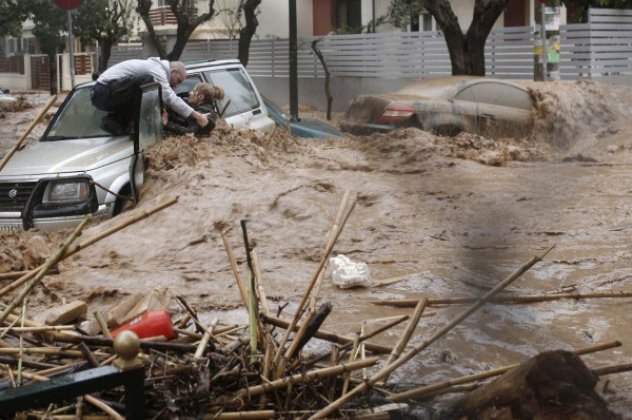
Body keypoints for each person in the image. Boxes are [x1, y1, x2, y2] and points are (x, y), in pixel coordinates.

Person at [91, 57, 208, 135]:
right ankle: (134, 125)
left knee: (154, 93)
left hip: (104, 94)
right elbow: (170, 97)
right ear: (173, 71)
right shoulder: (156, 70)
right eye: (178, 81)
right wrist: (198, 116)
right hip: (103, 92)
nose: (177, 86)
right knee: (149, 81)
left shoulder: (156, 68)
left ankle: (114, 121)